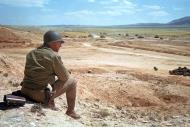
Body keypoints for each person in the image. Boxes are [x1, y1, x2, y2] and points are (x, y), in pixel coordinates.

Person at [20, 30, 80, 119]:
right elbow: (64, 77)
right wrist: (66, 72)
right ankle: (70, 112)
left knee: (48, 81)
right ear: (54, 43)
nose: (61, 45)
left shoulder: (31, 53)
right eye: (60, 43)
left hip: (25, 91)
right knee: (72, 81)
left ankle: (51, 104)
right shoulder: (53, 56)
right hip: (39, 95)